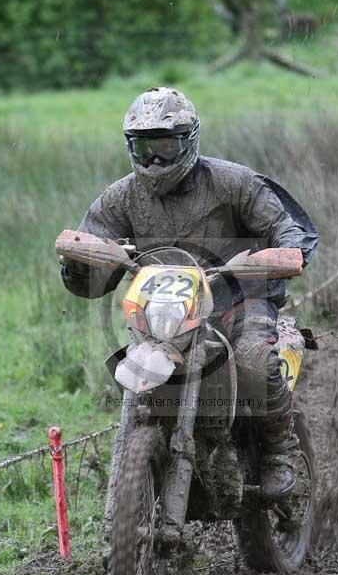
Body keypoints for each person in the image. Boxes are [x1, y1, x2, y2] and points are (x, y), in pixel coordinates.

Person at [61, 86, 317, 505]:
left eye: (165, 145)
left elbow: (288, 227)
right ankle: (143, 468)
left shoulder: (233, 183)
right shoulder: (121, 196)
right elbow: (93, 241)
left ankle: (278, 448)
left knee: (253, 360)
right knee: (132, 371)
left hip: (238, 300)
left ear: (189, 140)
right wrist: (81, 262)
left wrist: (282, 253)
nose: (155, 159)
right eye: (145, 147)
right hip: (163, 312)